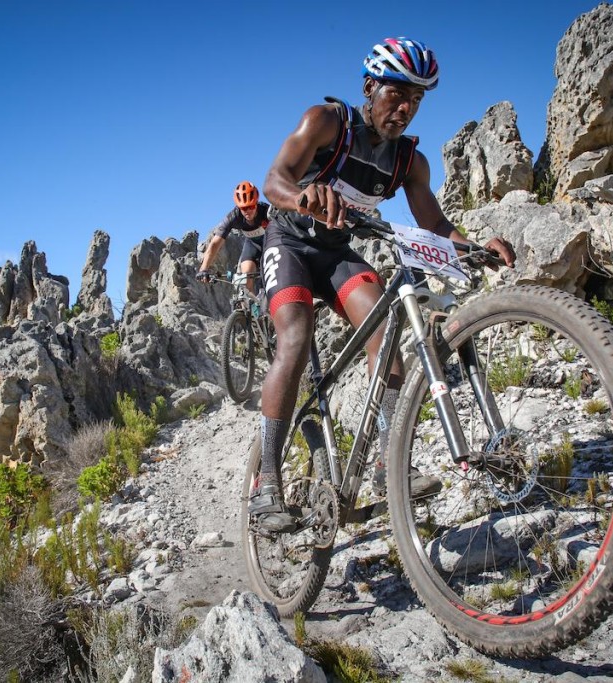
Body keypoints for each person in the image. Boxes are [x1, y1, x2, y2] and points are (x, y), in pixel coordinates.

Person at [249, 37, 516, 532]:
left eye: (417, 98)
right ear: (370, 87)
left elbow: (434, 224)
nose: (406, 107)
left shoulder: (407, 162)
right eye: (397, 93)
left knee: (386, 336)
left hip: (336, 255)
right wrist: (305, 194)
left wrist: (475, 246)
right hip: (287, 244)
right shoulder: (326, 122)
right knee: (295, 338)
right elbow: (274, 180)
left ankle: (384, 467)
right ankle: (266, 484)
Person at [196, 181, 271, 294]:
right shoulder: (233, 217)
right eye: (244, 208)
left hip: (271, 244)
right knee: (246, 277)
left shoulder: (266, 211)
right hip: (252, 245)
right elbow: (215, 244)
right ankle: (250, 308)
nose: (248, 211)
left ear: (256, 203)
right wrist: (203, 269)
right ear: (238, 207)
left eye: (251, 206)